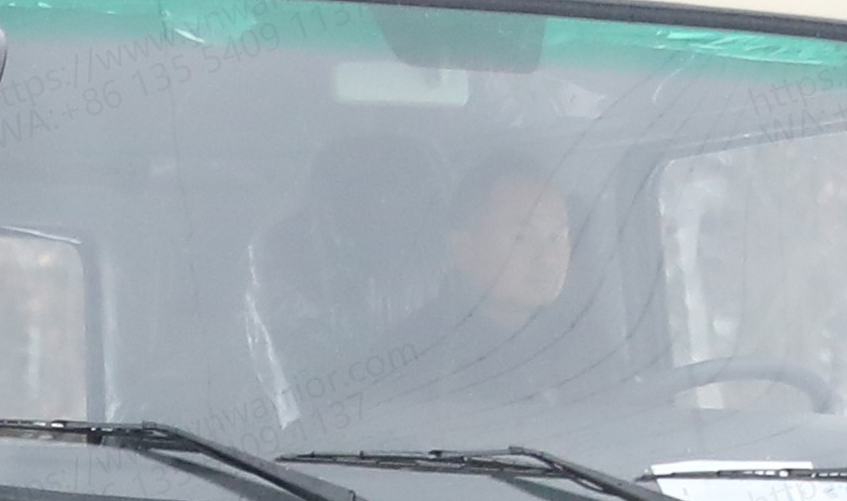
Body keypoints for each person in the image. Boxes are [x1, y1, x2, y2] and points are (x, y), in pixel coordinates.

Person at [256, 131, 604, 429]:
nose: (547, 256)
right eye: (521, 237)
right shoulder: (416, 364)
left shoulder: (588, 345)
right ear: (461, 247)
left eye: (557, 236)